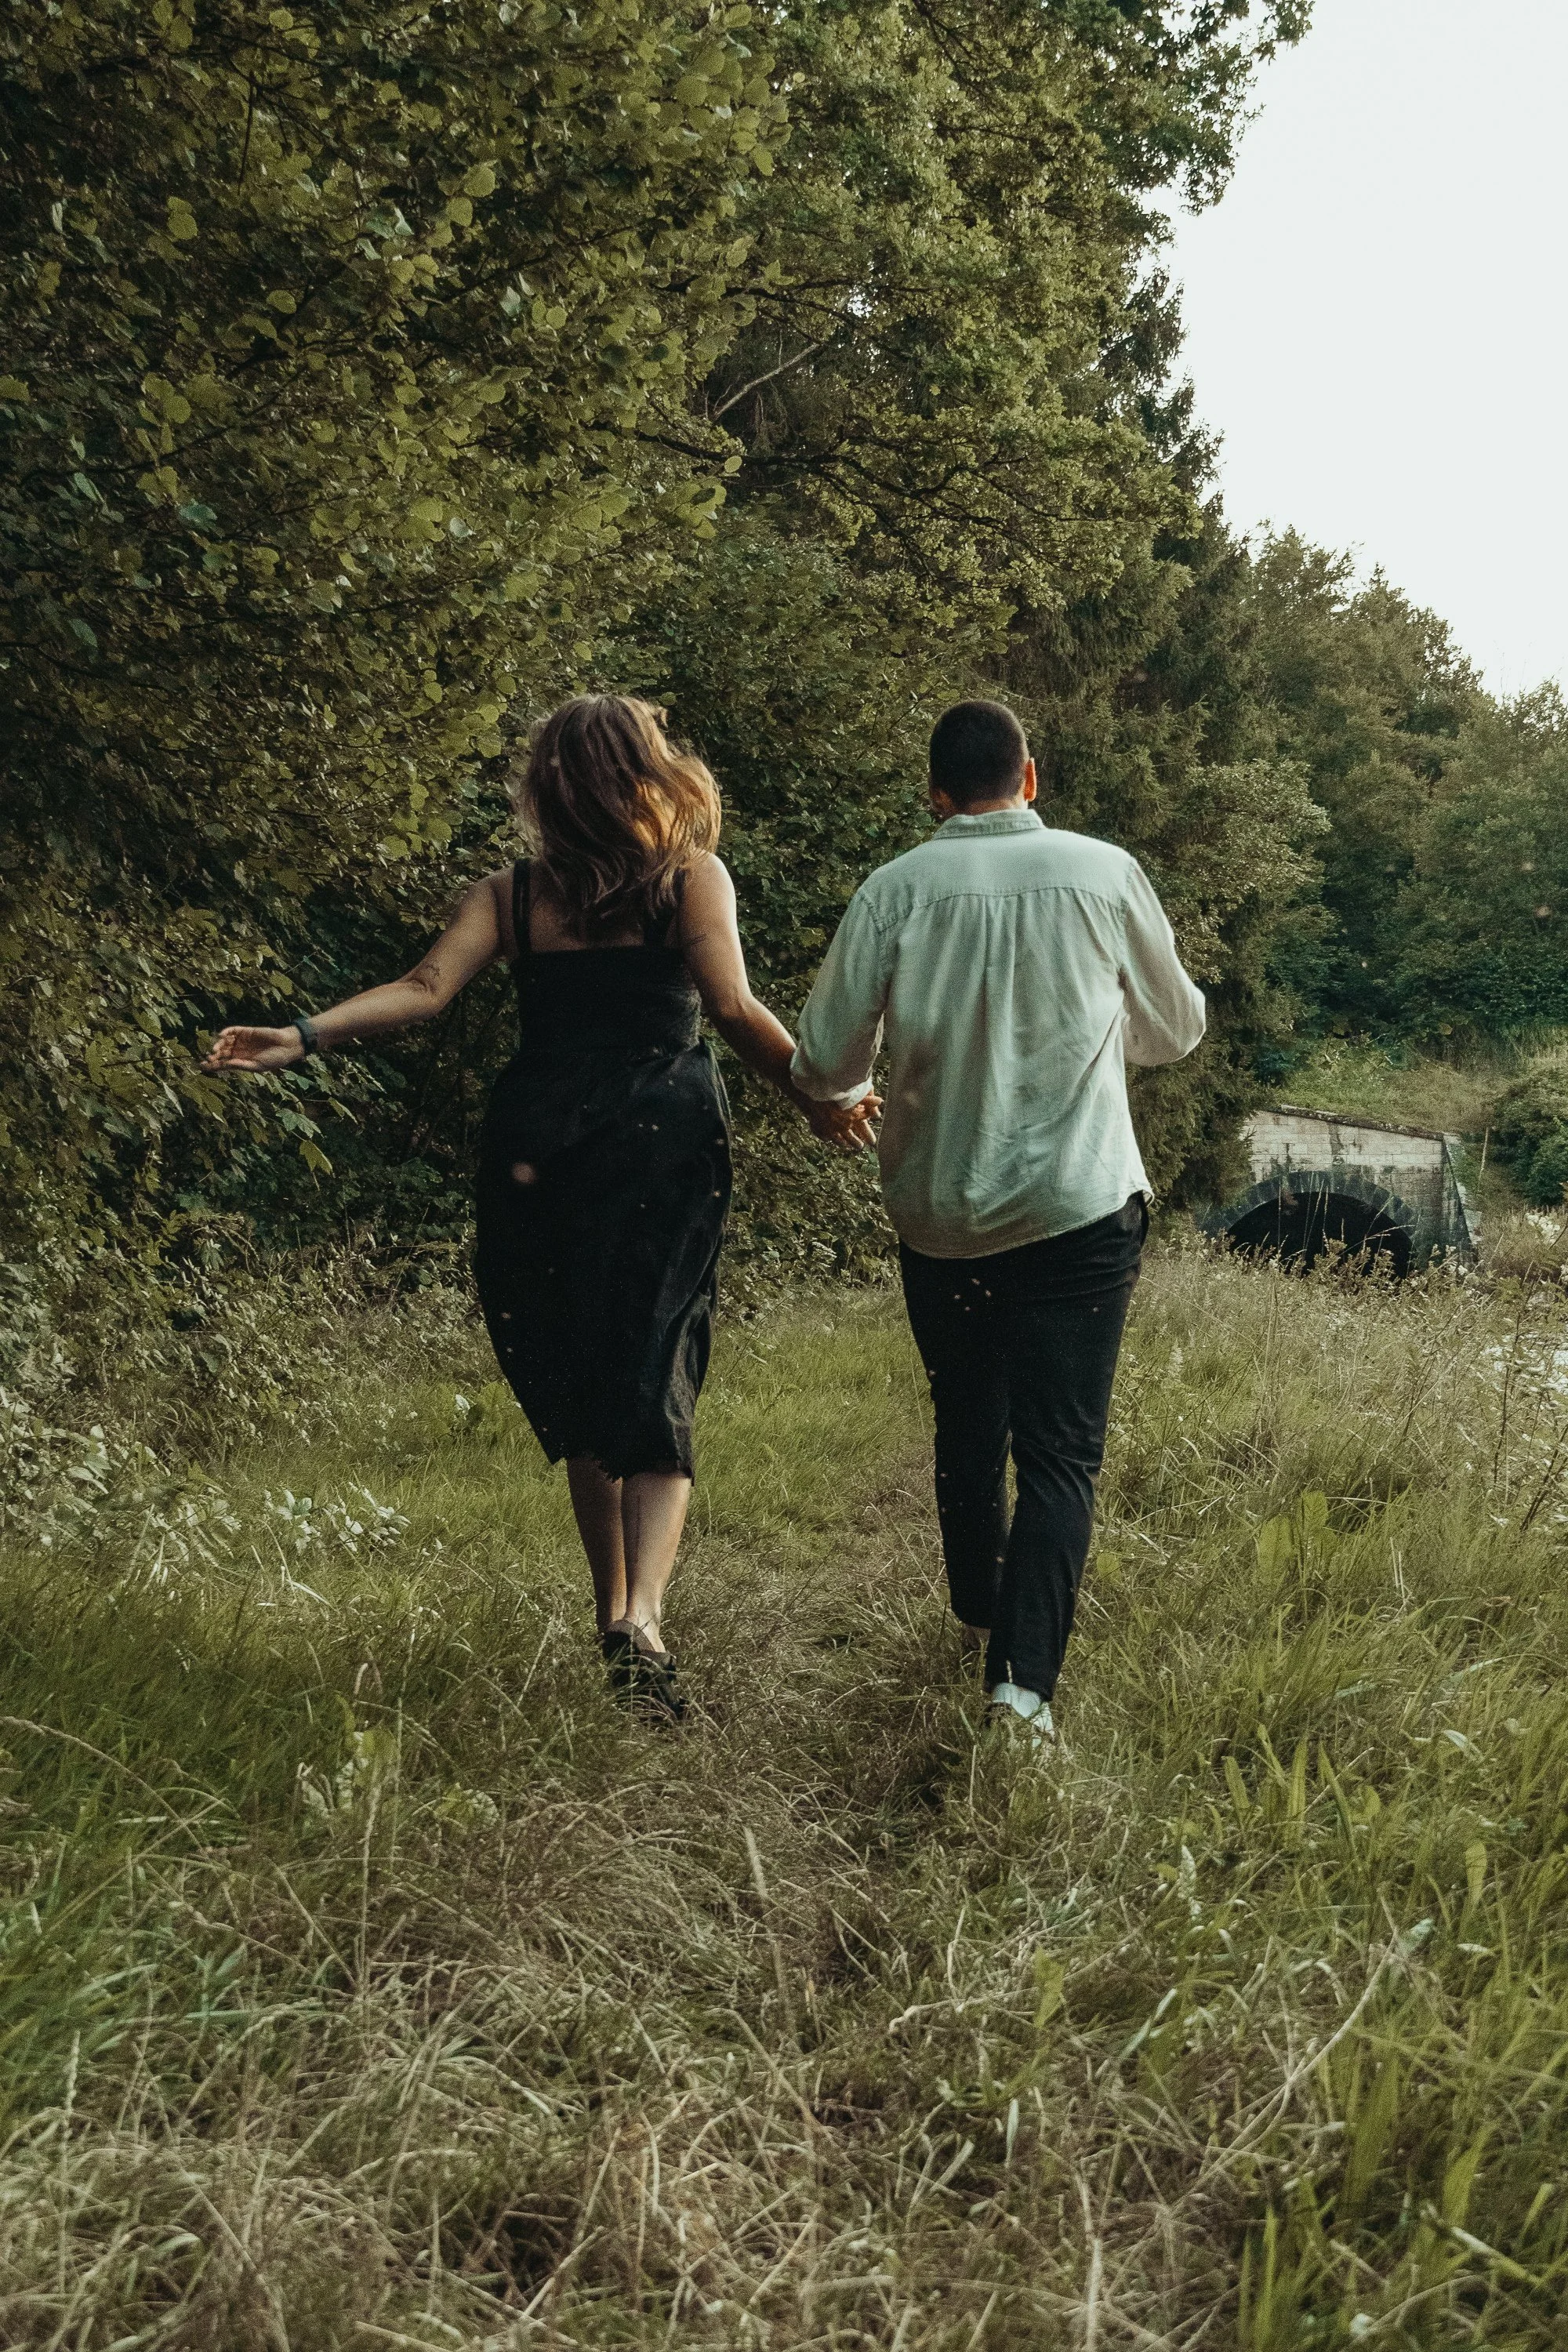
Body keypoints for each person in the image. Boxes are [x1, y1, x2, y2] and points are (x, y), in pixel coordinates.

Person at [204, 694, 874, 1718]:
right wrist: (822, 1096)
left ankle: (611, 1610)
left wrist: (306, 1032)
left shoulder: (512, 896)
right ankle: (639, 1618)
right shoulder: (692, 881)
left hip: (540, 1148)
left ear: (549, 787)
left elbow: (427, 989)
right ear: (646, 773)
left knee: (582, 1379)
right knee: (653, 1363)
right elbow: (734, 1010)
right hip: (658, 1141)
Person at [790, 699, 1205, 1744]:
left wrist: (855, 1090)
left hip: (942, 1215)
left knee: (969, 1425)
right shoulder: (1104, 872)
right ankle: (1021, 1696)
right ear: (1030, 779)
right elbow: (1174, 1031)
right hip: (1078, 1203)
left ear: (936, 793)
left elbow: (826, 1060)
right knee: (1063, 1452)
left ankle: (979, 1610)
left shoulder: (894, 889)